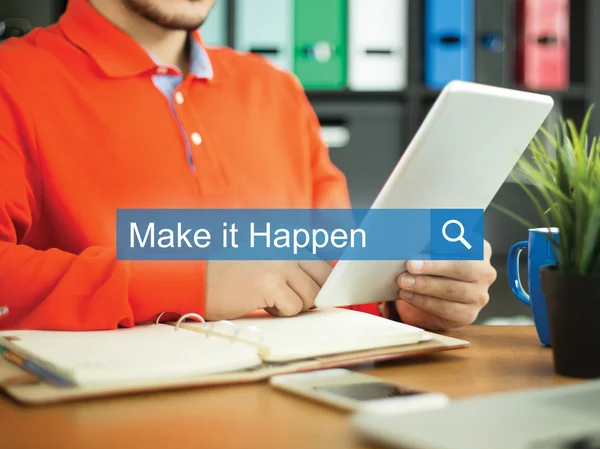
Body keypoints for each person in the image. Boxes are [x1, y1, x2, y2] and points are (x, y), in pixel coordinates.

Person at [0, 0, 497, 331]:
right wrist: (192, 283)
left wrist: (402, 299)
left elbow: (332, 276)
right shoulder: (13, 79)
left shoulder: (276, 89)